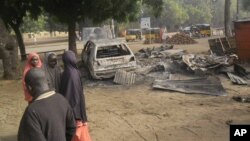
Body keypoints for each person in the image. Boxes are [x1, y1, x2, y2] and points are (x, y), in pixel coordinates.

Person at [18, 68, 76, 141]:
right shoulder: (62, 99)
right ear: (48, 82)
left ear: (29, 87)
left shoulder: (32, 111)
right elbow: (72, 128)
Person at [60, 51, 91, 141]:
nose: (75, 59)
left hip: (72, 109)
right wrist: (78, 116)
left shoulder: (70, 71)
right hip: (74, 112)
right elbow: (72, 96)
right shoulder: (71, 74)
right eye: (73, 57)